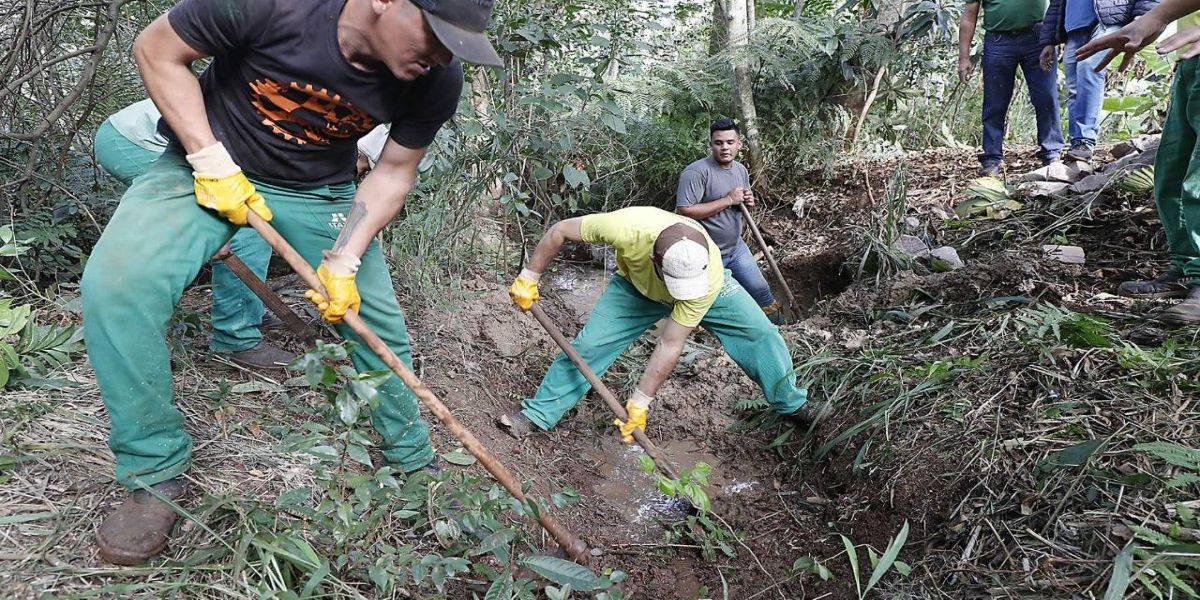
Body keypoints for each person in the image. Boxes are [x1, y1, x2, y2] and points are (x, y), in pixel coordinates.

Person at [81, 0, 500, 565]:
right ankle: (153, 473)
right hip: (206, 168)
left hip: (321, 193)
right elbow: (157, 49)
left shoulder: (436, 80)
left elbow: (394, 172)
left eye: (456, 45)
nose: (442, 55)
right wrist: (209, 158)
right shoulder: (275, 5)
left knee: (374, 321)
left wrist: (347, 258)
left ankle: (412, 456)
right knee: (118, 286)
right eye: (436, 35)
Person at [496, 207, 831, 442]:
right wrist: (529, 276)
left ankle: (792, 404)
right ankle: (537, 414)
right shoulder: (626, 227)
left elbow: (670, 343)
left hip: (706, 293)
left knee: (760, 335)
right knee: (589, 346)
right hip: (635, 290)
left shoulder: (706, 273)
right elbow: (559, 231)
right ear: (655, 259)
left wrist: (640, 401)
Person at [1078, 0, 1200, 322]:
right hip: (1192, 58)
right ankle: (1188, 268)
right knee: (1172, 171)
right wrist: (1156, 18)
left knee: (1199, 180)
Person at [675, 118, 784, 325]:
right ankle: (705, 340)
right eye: (719, 143)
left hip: (736, 247)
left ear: (739, 144)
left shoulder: (740, 170)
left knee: (760, 289)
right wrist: (728, 200)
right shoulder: (696, 172)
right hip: (707, 255)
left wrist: (747, 200)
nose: (725, 147)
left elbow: (739, 200)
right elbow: (685, 210)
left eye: (730, 142)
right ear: (711, 145)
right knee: (705, 302)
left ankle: (781, 329)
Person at [1039, 0, 1162, 163]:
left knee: (1089, 67)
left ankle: (1085, 141)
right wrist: (1049, 41)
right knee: (1074, 87)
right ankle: (1077, 146)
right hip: (1073, 26)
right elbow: (1056, 4)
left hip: (1109, 20)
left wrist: (1143, 17)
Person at [960, 0, 1066, 176]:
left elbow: (1059, 4)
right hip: (998, 41)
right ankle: (992, 158)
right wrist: (964, 57)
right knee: (995, 102)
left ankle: (1052, 152)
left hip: (1039, 37)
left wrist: (1057, 36)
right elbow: (969, 16)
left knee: (1046, 97)